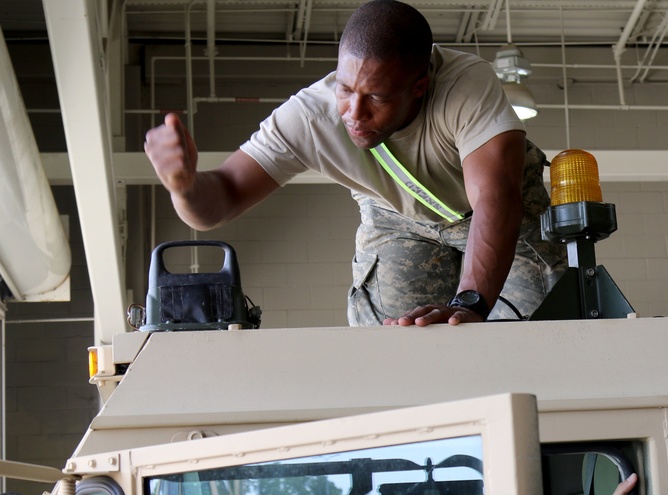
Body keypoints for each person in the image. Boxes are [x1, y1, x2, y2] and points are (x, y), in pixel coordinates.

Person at [144, 0, 566, 328]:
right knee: (392, 342)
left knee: (538, 333)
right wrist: (184, 187)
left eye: (377, 98)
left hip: (504, 209)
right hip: (397, 218)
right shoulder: (311, 115)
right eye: (346, 89)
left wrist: (469, 306)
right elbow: (218, 203)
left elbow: (496, 198)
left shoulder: (465, 85)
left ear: (419, 87)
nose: (353, 113)